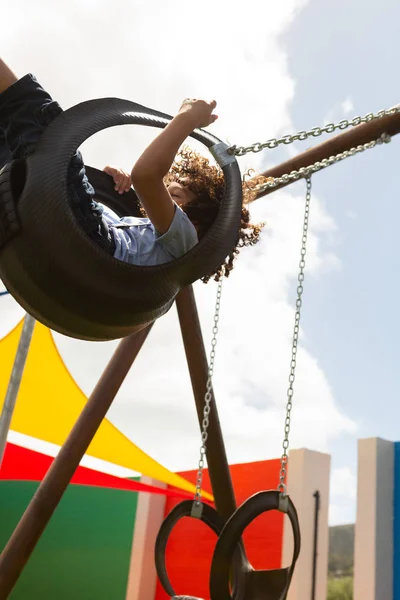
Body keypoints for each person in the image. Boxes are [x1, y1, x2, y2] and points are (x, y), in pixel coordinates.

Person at [0, 59, 265, 282]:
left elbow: (147, 176)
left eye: (177, 196)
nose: (163, 200)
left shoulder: (187, 240)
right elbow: (138, 185)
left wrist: (187, 118)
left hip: (88, 243)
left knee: (45, 129)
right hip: (73, 245)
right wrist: (110, 183)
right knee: (10, 148)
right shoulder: (149, 242)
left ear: (196, 221)